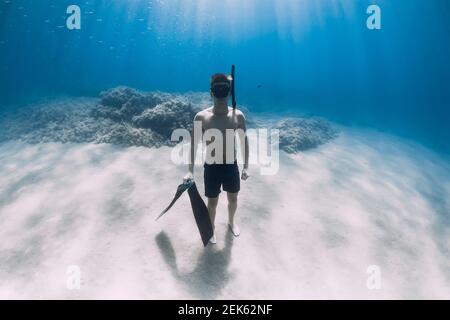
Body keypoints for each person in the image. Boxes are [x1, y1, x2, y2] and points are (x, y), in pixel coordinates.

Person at [184, 73, 249, 244]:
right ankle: (211, 227)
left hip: (230, 166)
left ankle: (231, 222)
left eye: (224, 89)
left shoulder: (238, 116)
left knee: (233, 199)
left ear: (229, 92)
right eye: (217, 90)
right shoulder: (201, 117)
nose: (220, 95)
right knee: (212, 202)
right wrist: (189, 171)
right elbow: (193, 145)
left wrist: (246, 167)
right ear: (211, 93)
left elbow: (244, 142)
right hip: (211, 167)